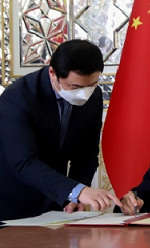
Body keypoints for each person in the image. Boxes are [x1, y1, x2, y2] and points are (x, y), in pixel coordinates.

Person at [0, 40, 122, 220]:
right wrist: (77, 191)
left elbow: (87, 155)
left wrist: (75, 196)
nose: (84, 93)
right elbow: (24, 163)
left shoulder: (93, 96)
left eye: (92, 84)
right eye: (76, 87)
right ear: (53, 73)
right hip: (14, 202)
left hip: (57, 205)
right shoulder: (18, 98)